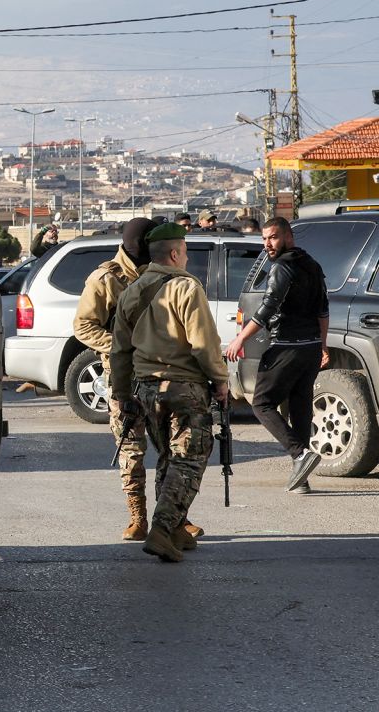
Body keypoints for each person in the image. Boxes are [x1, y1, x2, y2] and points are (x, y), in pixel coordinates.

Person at [110, 222, 228, 562]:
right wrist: (220, 380)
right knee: (189, 459)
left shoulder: (133, 291)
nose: (187, 259)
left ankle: (175, 529)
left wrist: (121, 393)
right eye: (186, 253)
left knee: (168, 456)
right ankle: (162, 530)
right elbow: (204, 343)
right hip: (183, 388)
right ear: (175, 254)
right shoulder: (186, 288)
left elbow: (120, 351)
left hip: (146, 390)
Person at [224, 217, 329, 494]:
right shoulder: (313, 264)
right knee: (299, 408)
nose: (267, 244)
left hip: (288, 345)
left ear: (288, 236)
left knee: (261, 403)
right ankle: (301, 479)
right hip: (310, 348)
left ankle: (300, 455)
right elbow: (323, 311)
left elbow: (268, 308)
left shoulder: (282, 267)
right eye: (264, 239)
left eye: (272, 237)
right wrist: (322, 345)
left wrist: (239, 339)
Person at [72, 217, 159, 541]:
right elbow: (83, 326)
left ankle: (173, 518)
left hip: (163, 373)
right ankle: (138, 517)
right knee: (132, 450)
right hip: (124, 376)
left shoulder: (160, 273)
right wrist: (122, 345)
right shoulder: (106, 279)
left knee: (172, 450)